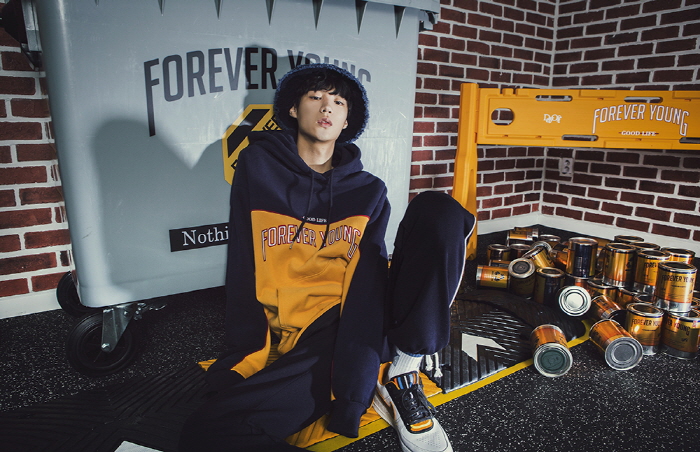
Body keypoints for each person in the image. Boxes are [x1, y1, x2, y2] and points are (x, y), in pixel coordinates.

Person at [179, 63, 475, 452]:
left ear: (347, 120)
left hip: (361, 317)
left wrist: (355, 373)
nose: (326, 107)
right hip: (315, 331)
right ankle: (383, 369)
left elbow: (369, 272)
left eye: (338, 102)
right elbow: (242, 261)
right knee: (209, 431)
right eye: (315, 97)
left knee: (439, 209)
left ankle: (403, 370)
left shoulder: (369, 190)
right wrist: (245, 349)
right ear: (292, 108)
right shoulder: (258, 167)